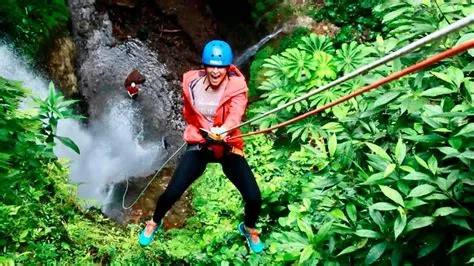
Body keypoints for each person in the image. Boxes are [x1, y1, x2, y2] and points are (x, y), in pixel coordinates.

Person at [138, 40, 264, 253]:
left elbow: (236, 114)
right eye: (211, 66)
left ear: (227, 68)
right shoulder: (191, 83)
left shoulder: (237, 87)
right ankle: (154, 222)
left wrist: (224, 129)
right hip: (201, 143)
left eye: (220, 66)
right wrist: (200, 131)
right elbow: (189, 113)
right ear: (204, 66)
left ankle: (248, 227)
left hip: (226, 144)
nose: (215, 71)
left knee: (254, 197)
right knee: (171, 193)